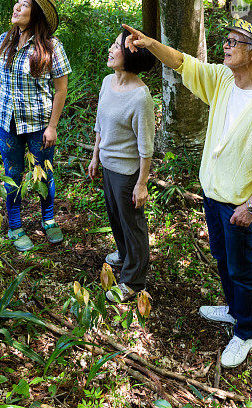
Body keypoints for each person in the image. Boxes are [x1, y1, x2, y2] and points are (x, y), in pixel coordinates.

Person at [123, 14, 252, 367]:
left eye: (234, 42)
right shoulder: (224, 81)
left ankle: (245, 332)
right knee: (222, 258)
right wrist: (150, 43)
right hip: (213, 196)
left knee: (241, 269)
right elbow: (185, 64)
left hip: (238, 205)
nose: (226, 46)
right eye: (227, 40)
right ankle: (232, 309)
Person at [0, 0, 71, 250]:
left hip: (38, 125)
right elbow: (1, 75)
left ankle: (48, 220)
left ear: (35, 15)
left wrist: (53, 127)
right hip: (7, 122)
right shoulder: (5, 40)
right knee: (13, 173)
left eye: (24, 5)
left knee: (43, 173)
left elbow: (61, 88)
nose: (16, 7)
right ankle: (15, 226)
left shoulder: (52, 47)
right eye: (18, 3)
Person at [88, 28, 155, 302]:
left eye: (116, 46)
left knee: (132, 225)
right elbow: (100, 125)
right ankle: (124, 254)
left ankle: (133, 281)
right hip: (107, 165)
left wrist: (141, 184)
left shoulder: (140, 97)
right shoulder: (107, 82)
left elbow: (146, 146)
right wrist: (95, 156)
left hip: (128, 174)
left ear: (130, 56)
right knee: (116, 218)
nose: (110, 49)